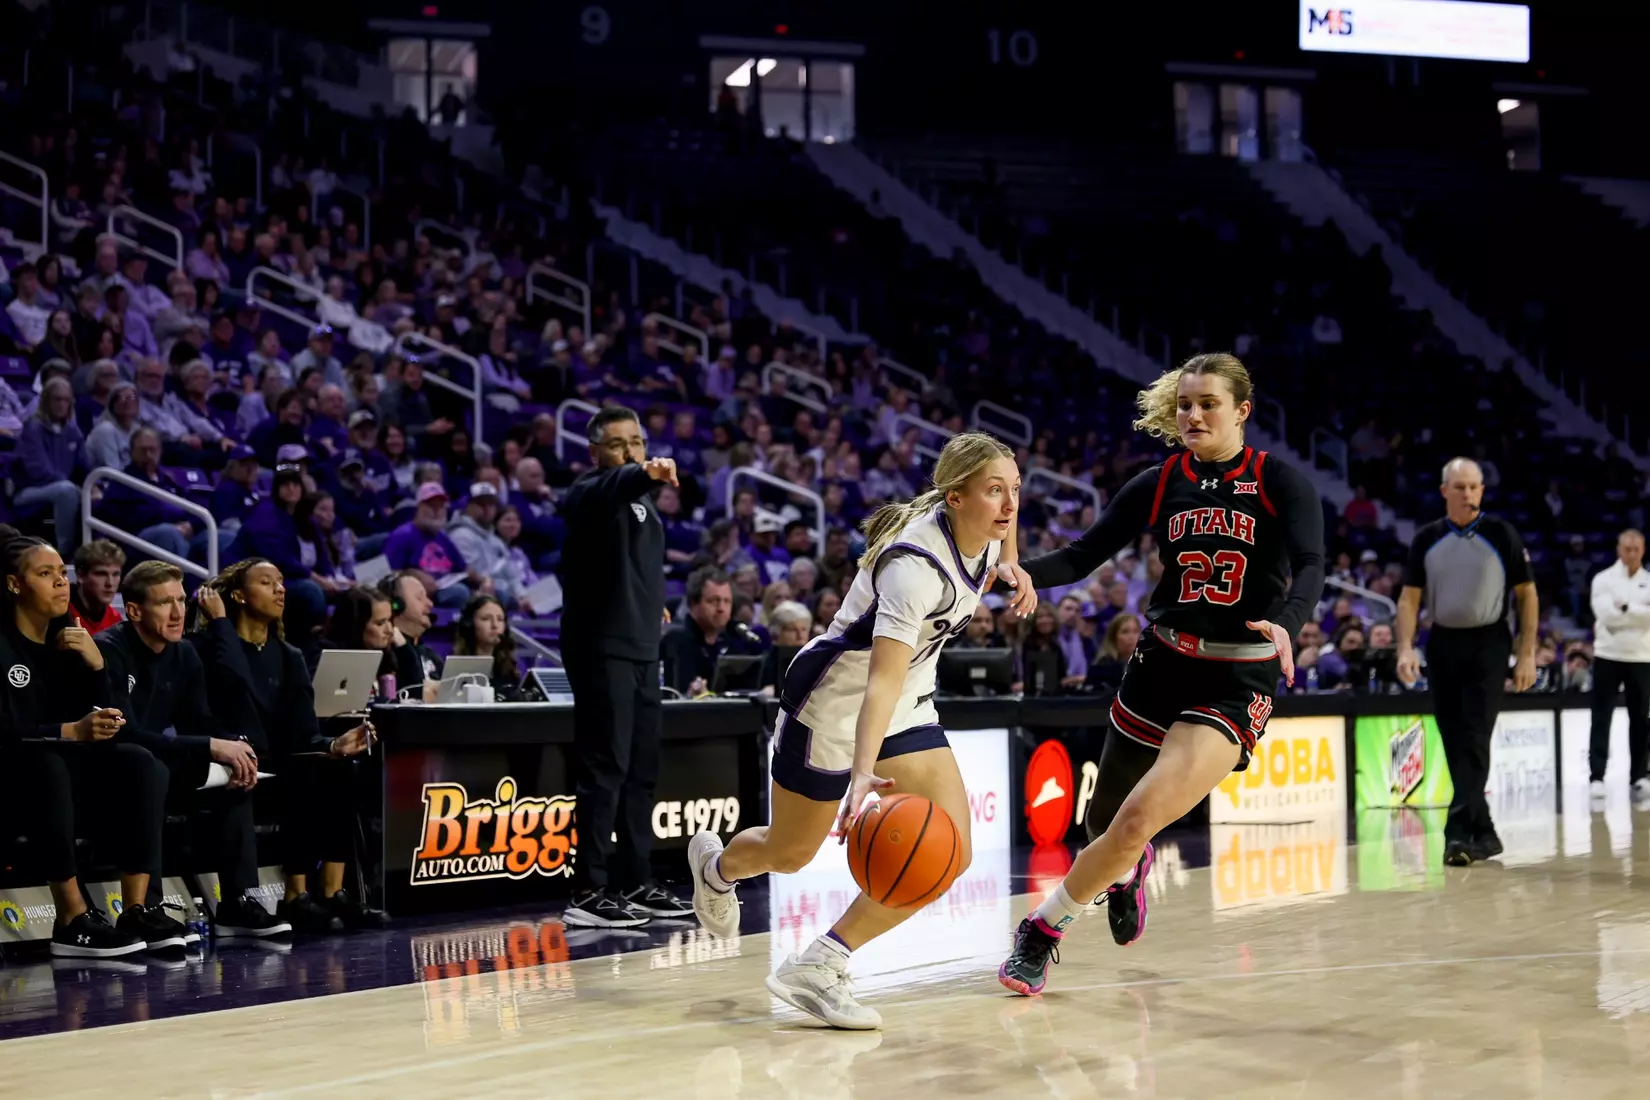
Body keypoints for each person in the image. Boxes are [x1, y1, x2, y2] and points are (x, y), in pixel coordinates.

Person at [995, 353, 1324, 998]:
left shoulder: (1280, 482)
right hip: (1162, 659)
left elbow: (1311, 563)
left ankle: (1040, 931)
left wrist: (1289, 619)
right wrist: (1024, 571)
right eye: (1185, 404)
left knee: (1139, 816)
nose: (1194, 415)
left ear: (1242, 412)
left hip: (1238, 675)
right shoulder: (1159, 479)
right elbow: (1085, 554)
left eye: (1208, 404)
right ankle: (1124, 872)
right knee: (1105, 826)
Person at [687, 431, 1037, 1029]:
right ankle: (715, 869)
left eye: (1014, 490)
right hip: (831, 708)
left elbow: (1001, 535)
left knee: (950, 855)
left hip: (907, 705)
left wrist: (1010, 561)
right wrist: (859, 776)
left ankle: (820, 963)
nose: (1008, 505)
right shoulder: (913, 569)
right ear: (954, 498)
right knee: (790, 853)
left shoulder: (982, 526)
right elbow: (877, 681)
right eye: (993, 492)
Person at [0, 536, 180, 956]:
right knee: (47, 763)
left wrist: (97, 667)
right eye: (46, 574)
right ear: (13, 585)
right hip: (14, 776)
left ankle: (136, 907)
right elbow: (9, 731)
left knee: (140, 762)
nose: (61, 584)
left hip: (60, 775)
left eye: (63, 574)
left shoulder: (71, 642)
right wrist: (70, 732)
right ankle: (70, 916)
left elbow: (115, 723)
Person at [96, 560, 292, 938]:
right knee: (147, 767)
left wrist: (234, 745)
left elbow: (200, 722)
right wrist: (209, 745)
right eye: (164, 602)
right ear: (134, 611)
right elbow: (124, 733)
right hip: (117, 768)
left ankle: (237, 902)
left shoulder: (184, 654)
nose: (177, 612)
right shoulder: (111, 650)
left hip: (163, 764)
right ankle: (145, 909)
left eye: (182, 600)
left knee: (235, 775)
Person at [558, 407, 692, 929]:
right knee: (605, 767)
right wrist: (646, 471)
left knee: (640, 772)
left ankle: (636, 881)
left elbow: (629, 567)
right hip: (600, 645)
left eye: (637, 441)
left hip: (640, 645)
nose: (632, 451)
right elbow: (610, 488)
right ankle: (589, 889)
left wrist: (650, 602)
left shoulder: (641, 505)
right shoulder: (591, 491)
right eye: (619, 444)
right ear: (596, 452)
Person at [193, 559, 380, 931]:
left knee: (336, 766)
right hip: (231, 765)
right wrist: (221, 626)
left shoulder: (290, 656)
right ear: (239, 596)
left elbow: (303, 735)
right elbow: (235, 685)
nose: (281, 589)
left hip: (283, 765)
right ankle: (292, 892)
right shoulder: (207, 648)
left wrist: (333, 744)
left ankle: (329, 891)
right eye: (267, 582)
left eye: (281, 582)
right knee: (293, 772)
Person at [1396, 457, 1537, 865]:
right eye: (1460, 487)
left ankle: (1457, 834)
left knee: (1475, 735)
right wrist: (1405, 646)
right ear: (1444, 491)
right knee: (1454, 738)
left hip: (1490, 643)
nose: (1469, 494)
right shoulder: (1427, 538)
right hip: (1443, 642)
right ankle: (1486, 832)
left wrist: (1526, 653)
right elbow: (1409, 598)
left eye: (1475, 487)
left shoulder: (1501, 534)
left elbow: (1527, 594)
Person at [1587, 529, 1650, 801]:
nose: (1632, 553)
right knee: (1601, 717)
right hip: (1608, 655)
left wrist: (1625, 608)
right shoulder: (1603, 580)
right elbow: (1606, 617)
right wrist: (1637, 612)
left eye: (1636, 549)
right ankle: (1597, 777)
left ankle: (1639, 775)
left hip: (1641, 657)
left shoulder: (1649, 581)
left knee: (1641, 720)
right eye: (1627, 548)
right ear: (1618, 549)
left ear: (1644, 550)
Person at [14, 377, 87, 557]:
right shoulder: (33, 427)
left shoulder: (73, 432)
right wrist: (75, 487)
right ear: (46, 400)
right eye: (57, 399)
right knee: (66, 490)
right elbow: (38, 470)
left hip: (63, 488)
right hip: (29, 490)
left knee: (85, 492)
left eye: (66, 400)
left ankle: (87, 550)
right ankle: (64, 552)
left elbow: (85, 467)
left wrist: (94, 487)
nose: (62, 404)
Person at [661, 566, 762, 695]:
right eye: (713, 601)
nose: (721, 608)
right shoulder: (675, 642)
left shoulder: (736, 641)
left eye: (727, 601)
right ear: (693, 603)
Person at [382, 483, 474, 609]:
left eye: (440, 506)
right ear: (418, 508)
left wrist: (483, 581)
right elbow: (383, 574)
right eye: (431, 506)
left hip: (444, 586)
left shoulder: (442, 537)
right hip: (417, 596)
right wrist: (410, 574)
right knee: (459, 593)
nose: (436, 511)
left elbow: (462, 568)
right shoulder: (402, 535)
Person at [377, 570, 442, 692]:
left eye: (427, 597)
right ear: (396, 605)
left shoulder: (430, 655)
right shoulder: (386, 655)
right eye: (419, 597)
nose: (430, 603)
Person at [453, 593, 519, 690]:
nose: (495, 625)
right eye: (486, 619)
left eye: (500, 619)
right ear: (469, 625)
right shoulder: (456, 672)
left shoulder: (508, 670)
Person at [69, 539, 126, 634]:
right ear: (81, 576)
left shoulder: (115, 619)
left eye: (115, 574)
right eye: (101, 574)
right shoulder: (60, 613)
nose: (110, 583)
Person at [1088, 611, 1141, 693]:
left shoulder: (1144, 663)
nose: (1132, 636)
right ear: (1113, 638)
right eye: (1125, 632)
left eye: (1136, 631)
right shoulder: (1104, 666)